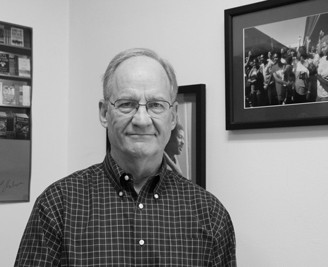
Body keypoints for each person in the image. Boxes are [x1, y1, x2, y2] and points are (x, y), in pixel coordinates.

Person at [15, 48, 236, 266]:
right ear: (104, 113)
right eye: (127, 104)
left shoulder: (210, 214)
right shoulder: (58, 206)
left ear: (173, 117)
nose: (142, 119)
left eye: (156, 105)